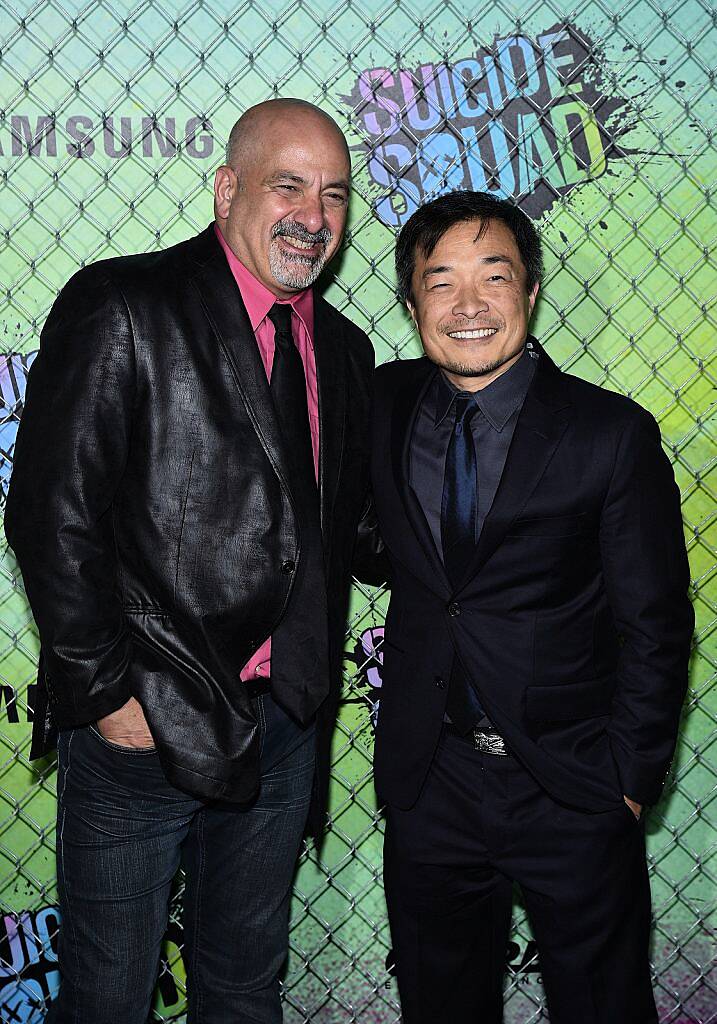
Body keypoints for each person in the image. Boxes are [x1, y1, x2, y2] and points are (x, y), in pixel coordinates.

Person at [5, 98, 374, 1023]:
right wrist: (106, 694)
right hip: (147, 727)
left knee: (244, 987)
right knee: (107, 997)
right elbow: (50, 516)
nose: (312, 215)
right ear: (226, 189)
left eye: (332, 194)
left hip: (285, 727)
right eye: (286, 185)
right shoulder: (122, 304)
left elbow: (341, 531)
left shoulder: (343, 346)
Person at [356, 190, 693, 1023]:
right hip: (431, 777)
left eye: (492, 277)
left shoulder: (608, 434)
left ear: (531, 293)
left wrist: (627, 777)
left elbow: (655, 623)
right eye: (440, 283)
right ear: (410, 304)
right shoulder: (381, 405)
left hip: (572, 781)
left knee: (602, 1005)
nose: (467, 306)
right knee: (440, 1006)